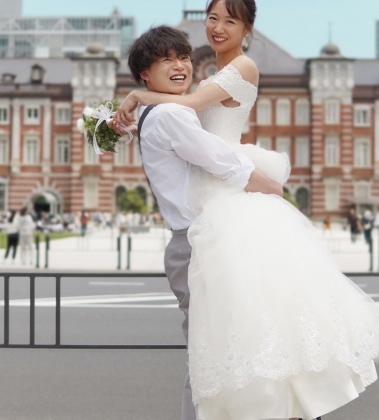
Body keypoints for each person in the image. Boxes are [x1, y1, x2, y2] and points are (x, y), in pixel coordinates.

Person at [117, 0, 379, 420]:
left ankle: (289, 407)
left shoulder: (238, 68)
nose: (217, 27)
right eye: (212, 18)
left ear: (248, 29)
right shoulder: (194, 88)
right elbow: (187, 125)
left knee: (248, 328)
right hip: (217, 208)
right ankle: (284, 407)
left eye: (229, 21)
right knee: (247, 329)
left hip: (227, 208)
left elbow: (189, 114)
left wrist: (136, 98)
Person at [116, 24, 284, 420]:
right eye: (166, 60)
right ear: (145, 73)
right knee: (212, 358)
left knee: (216, 354)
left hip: (194, 242)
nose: (180, 66)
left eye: (184, 58)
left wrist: (135, 101)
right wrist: (274, 191)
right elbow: (224, 162)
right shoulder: (172, 114)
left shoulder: (156, 111)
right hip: (197, 245)